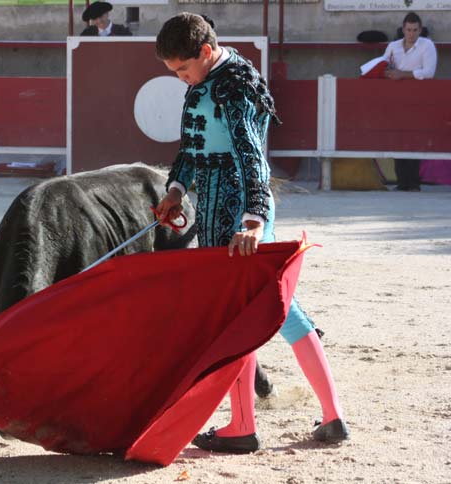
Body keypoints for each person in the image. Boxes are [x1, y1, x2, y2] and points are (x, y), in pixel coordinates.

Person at [154, 12, 350, 454]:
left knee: (236, 315)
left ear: (205, 52)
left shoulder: (235, 83)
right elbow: (192, 145)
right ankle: (333, 415)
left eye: (184, 69)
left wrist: (254, 218)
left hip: (238, 211)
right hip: (217, 205)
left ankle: (241, 425)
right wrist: (176, 188)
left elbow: (252, 156)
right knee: (286, 310)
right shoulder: (211, 76)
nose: (183, 79)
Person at [383, 12, 437, 191]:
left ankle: (413, 182)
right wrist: (387, 72)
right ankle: (402, 181)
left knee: (413, 138)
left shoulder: (427, 45)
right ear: (403, 29)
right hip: (395, 99)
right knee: (398, 136)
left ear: (420, 30)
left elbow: (429, 72)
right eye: (408, 30)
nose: (411, 34)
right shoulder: (393, 46)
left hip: (418, 98)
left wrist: (402, 74)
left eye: (415, 30)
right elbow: (384, 66)